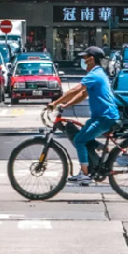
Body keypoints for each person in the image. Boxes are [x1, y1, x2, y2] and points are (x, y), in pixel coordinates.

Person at [48, 46, 120, 185]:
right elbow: (83, 94)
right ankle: (100, 147)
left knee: (80, 140)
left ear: (91, 59)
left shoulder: (94, 74)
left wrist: (55, 103)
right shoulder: (98, 73)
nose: (83, 61)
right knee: (83, 134)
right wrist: (66, 105)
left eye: (84, 58)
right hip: (100, 117)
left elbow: (76, 89)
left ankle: (85, 174)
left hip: (105, 117)